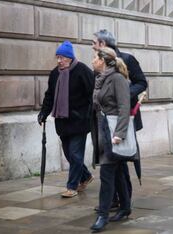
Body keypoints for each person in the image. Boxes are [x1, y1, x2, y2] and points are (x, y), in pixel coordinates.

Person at [92, 29, 148, 209]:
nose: (92, 46)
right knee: (111, 164)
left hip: (123, 119)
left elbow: (142, 82)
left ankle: (123, 201)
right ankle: (118, 201)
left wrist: (122, 94)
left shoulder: (127, 59)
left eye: (94, 42)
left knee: (120, 162)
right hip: (105, 122)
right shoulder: (99, 63)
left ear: (102, 43)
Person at [37, 41, 95, 198]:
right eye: (57, 57)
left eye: (61, 57)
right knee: (70, 154)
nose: (59, 61)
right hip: (62, 121)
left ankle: (72, 186)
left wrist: (87, 114)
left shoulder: (82, 71)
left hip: (79, 121)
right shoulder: (55, 73)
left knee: (76, 154)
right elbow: (49, 96)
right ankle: (86, 176)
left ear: (69, 58)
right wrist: (43, 113)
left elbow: (93, 95)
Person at [90, 47, 132, 232]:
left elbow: (125, 107)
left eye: (94, 57)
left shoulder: (117, 79)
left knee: (107, 174)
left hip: (114, 133)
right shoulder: (100, 79)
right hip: (102, 130)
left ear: (103, 60)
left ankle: (103, 216)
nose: (92, 60)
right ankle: (125, 207)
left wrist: (119, 134)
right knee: (119, 171)